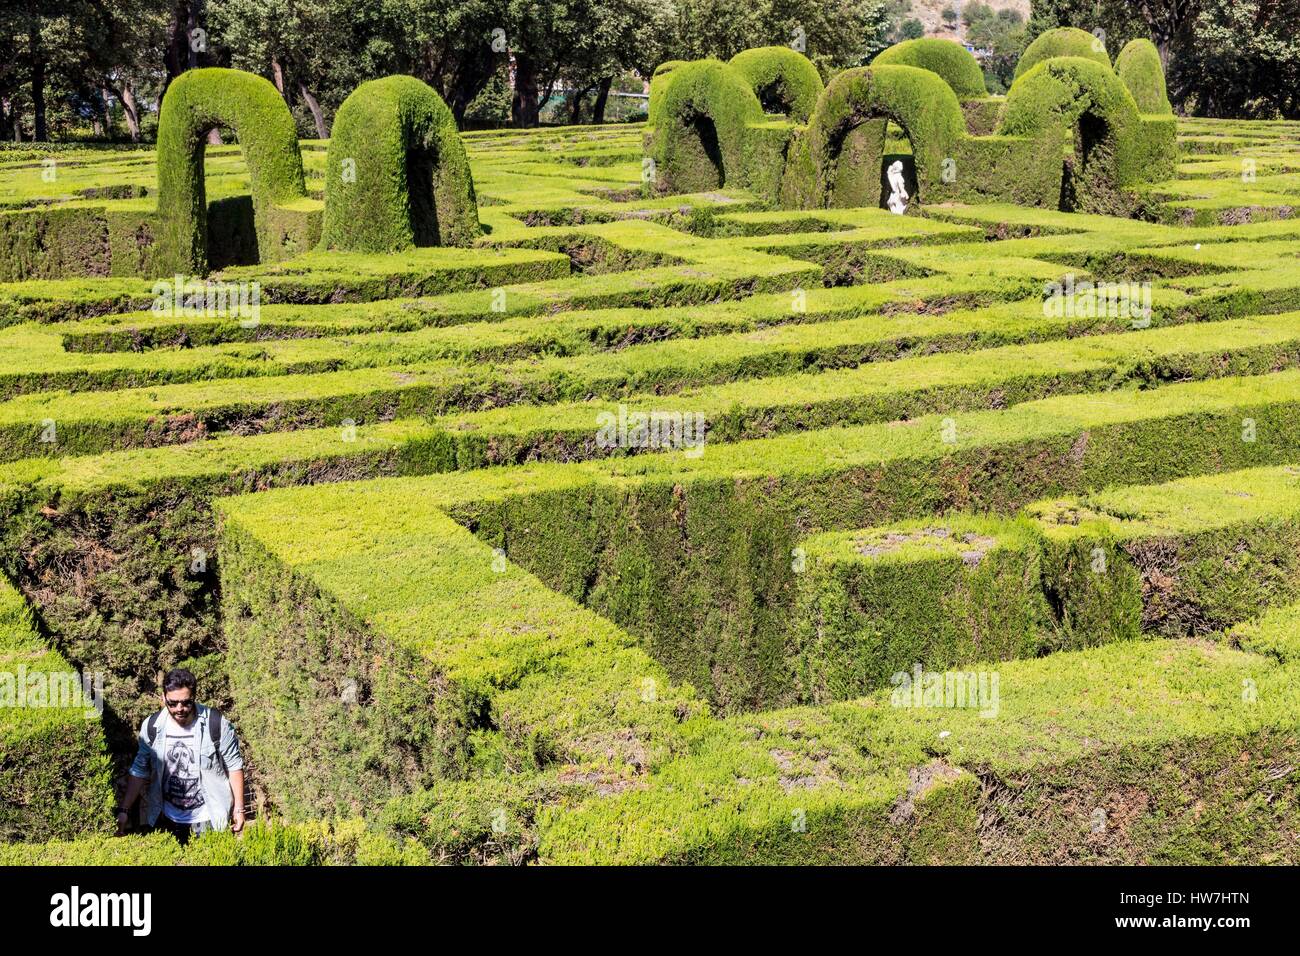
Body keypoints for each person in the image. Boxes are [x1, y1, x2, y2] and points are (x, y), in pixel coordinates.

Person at [116, 668, 246, 844]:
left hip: (209, 817)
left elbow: (234, 765)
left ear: (194, 697)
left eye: (186, 702)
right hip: (166, 817)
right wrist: (124, 810)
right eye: (173, 703)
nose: (180, 709)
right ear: (163, 698)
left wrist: (239, 809)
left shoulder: (215, 723)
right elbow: (139, 770)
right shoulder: (151, 727)